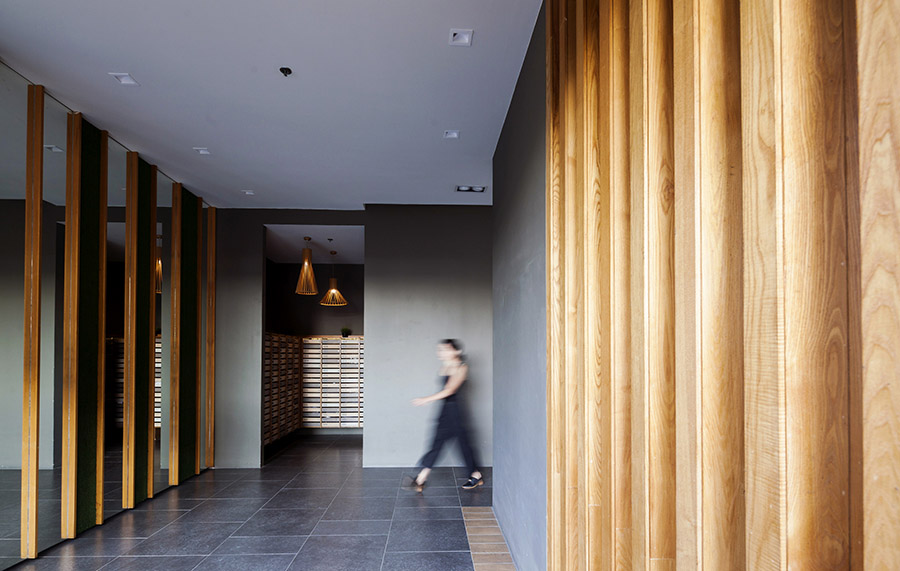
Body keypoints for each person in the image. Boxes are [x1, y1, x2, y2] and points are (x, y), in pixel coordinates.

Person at [406, 339, 483, 492]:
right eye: (440, 350)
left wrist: (426, 399)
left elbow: (450, 390)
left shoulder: (462, 367)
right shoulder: (445, 366)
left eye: (446, 349)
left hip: (456, 411)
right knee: (437, 443)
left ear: (456, 351)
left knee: (462, 444)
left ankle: (475, 474)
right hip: (445, 410)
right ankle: (421, 479)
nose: (441, 353)